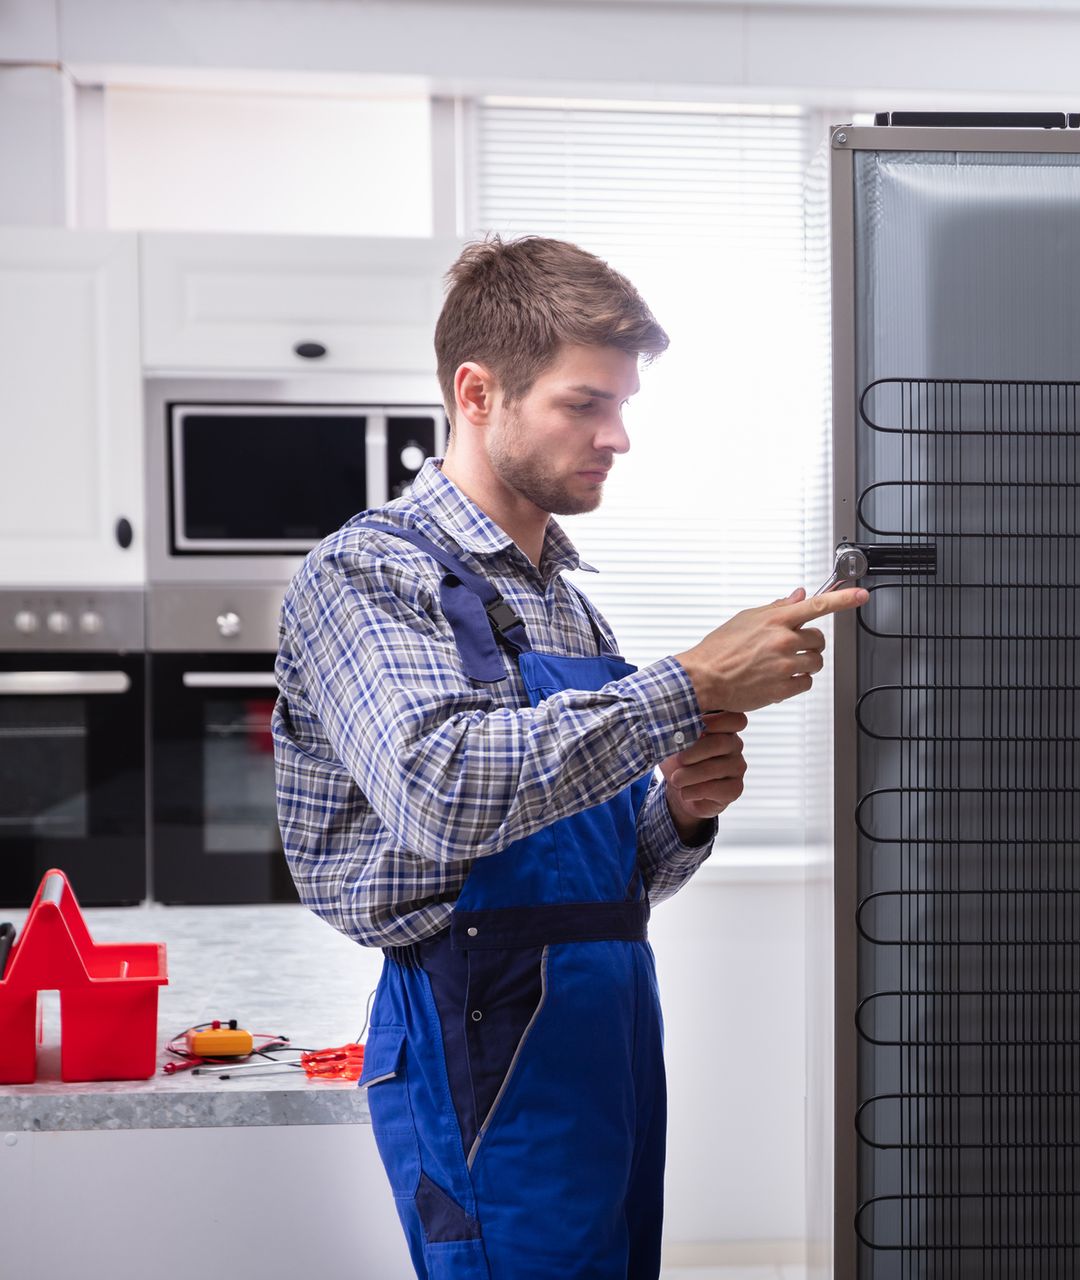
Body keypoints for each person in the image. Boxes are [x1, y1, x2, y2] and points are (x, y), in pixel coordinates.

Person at [270, 234, 865, 1278]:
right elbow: (441, 794)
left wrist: (679, 810)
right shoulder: (368, 573)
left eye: (623, 405)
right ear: (478, 390)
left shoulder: (565, 603)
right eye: (585, 403)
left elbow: (603, 871)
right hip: (479, 1026)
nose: (618, 436)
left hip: (606, 1015)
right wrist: (688, 682)